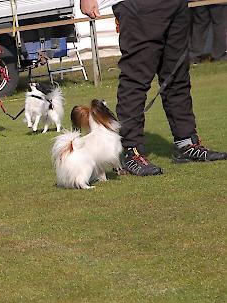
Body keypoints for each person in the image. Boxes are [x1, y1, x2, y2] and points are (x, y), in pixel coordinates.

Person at [80, 0, 227, 176]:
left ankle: (187, 142)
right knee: (136, 79)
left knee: (177, 76)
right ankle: (131, 151)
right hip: (138, 5)